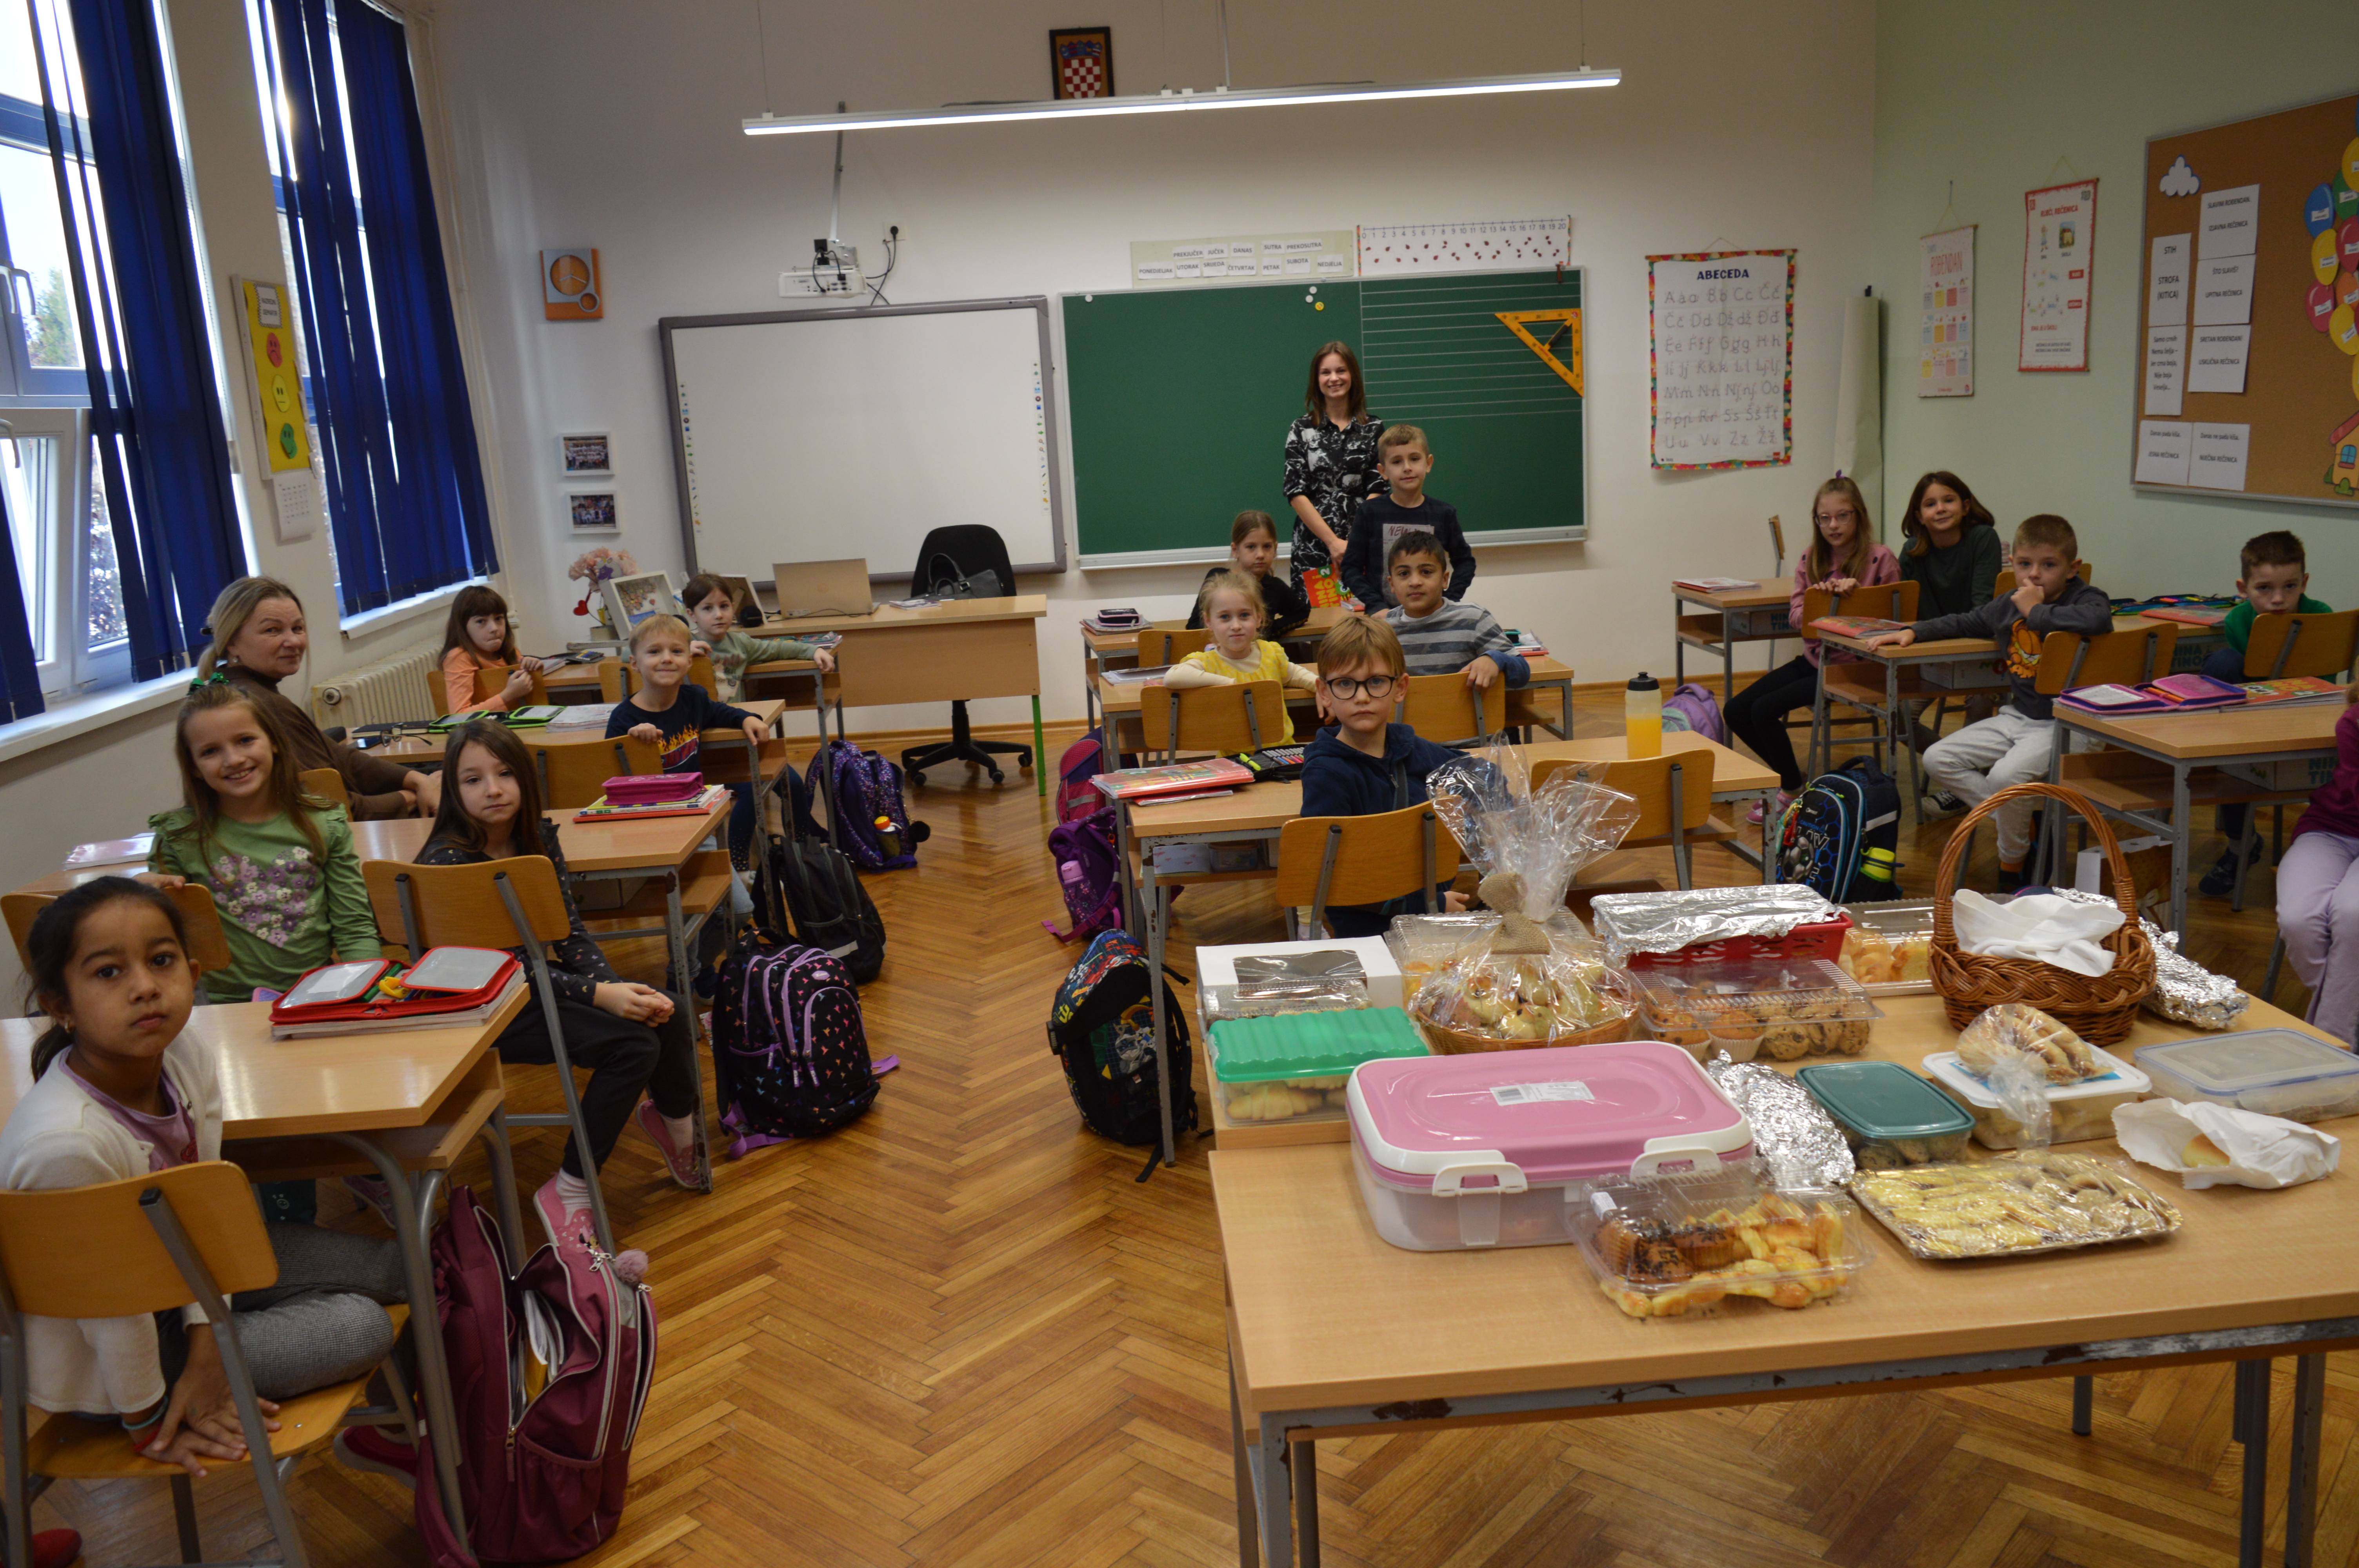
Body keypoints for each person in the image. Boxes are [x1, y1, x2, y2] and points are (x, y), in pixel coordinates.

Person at [0, 878, 408, 1485]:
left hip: (185, 1271)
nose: (145, 987)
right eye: (109, 973)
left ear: (192, 973)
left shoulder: (183, 1053)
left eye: (161, 961)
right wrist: (148, 1419)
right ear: (59, 1005)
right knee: (361, 1325)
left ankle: (415, 1437)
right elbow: (111, 1312)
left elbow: (198, 1210)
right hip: (119, 1365)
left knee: (400, 1266)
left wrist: (210, 1340)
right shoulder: (67, 1146)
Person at [421, 722, 694, 1262]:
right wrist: (599, 997)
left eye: (504, 774)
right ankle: (568, 1188)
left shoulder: (538, 839)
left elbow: (569, 934)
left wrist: (614, 988)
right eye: (473, 780)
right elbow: (500, 968)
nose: (493, 790)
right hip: (478, 1007)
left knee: (668, 1010)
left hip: (527, 986)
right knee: (632, 1044)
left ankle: (676, 1128)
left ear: (525, 778)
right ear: (453, 790)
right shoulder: (447, 860)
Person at [1862, 515, 2113, 891]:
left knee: (2003, 778)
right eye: (2025, 564)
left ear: (2072, 568)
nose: (2035, 575)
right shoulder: (2007, 605)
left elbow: (2099, 619)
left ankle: (2013, 864)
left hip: (2067, 725)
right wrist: (1913, 630)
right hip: (2019, 717)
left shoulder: (2085, 598)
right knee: (1938, 759)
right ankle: (2024, 825)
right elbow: (1964, 622)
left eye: (2049, 565)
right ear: (2012, 565)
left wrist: (2035, 612)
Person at [1724, 477, 1900, 822]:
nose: (1833, 525)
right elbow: (1796, 617)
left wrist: (1854, 600)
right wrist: (1821, 600)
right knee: (1736, 710)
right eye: (1825, 518)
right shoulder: (1811, 557)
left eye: (1843, 516)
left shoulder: (1881, 558)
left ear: (1859, 516)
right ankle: (1793, 780)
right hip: (1815, 660)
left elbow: (1895, 622)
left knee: (1763, 710)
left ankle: (1791, 789)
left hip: (1858, 667)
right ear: (1816, 521)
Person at [197, 576, 439, 818]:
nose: (294, 641)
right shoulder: (257, 704)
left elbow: (338, 756)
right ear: (232, 642)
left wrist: (417, 779)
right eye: (272, 630)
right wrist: (413, 796)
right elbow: (333, 809)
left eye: (298, 628)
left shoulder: (238, 689)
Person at [1298, 617, 1469, 936]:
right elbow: (1335, 880)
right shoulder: (1326, 773)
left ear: (1400, 688)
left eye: (1376, 682)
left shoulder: (1409, 747)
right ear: (1324, 692)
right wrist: (1427, 903)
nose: (1362, 697)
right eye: (1345, 684)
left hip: (1430, 923)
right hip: (1369, 934)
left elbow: (1480, 776)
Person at [2200, 530, 2334, 896]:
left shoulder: (2321, 616)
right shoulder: (2238, 621)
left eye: (2290, 587)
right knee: (2222, 666)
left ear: (2304, 583)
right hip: (2252, 722)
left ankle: (2329, 847)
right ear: (2243, 588)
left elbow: (2323, 685)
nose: (2278, 599)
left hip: (2309, 715)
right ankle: (2241, 845)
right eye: (2264, 589)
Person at [607, 614, 769, 867]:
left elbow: (721, 712)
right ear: (635, 663)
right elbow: (611, 782)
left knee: (732, 893)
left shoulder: (694, 699)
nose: (667, 659)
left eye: (677, 651)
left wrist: (747, 718)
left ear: (689, 661)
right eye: (654, 652)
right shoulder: (624, 719)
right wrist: (632, 742)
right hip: (644, 826)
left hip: (693, 817)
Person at [1896, 470, 2005, 794]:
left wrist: (1926, 631)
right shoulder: (1913, 550)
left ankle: (1963, 780)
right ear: (1919, 515)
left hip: (1978, 651)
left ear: (1966, 506)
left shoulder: (1983, 538)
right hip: (1932, 653)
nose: (1941, 509)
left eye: (1949, 500)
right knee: (1897, 718)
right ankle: (1960, 771)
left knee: (1981, 703)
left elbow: (1982, 613)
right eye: (1930, 504)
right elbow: (1904, 613)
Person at [1281, 341, 1387, 595]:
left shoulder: (1373, 428)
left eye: (1341, 371)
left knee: (1365, 615)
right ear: (1316, 380)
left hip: (1363, 545)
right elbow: (1295, 492)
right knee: (1318, 618)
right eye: (1325, 372)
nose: (1334, 378)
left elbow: (1379, 488)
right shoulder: (1301, 429)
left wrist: (1353, 543)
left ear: (1353, 375)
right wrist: (1333, 543)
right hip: (1314, 548)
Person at [1162, 570, 1318, 742]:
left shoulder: (1271, 653)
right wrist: (1229, 684)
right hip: (1233, 755)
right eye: (1225, 617)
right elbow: (1173, 677)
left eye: (1244, 615)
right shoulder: (1209, 662)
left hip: (1281, 751)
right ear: (1209, 622)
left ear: (1259, 618)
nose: (1236, 626)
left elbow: (1294, 674)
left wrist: (1322, 689)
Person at [1339, 425, 1475, 611]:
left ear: (1428, 463)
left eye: (1415, 459)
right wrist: (1376, 606)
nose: (1407, 468)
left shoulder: (1444, 514)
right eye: (1397, 462)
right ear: (1383, 471)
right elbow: (1351, 568)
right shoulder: (1370, 512)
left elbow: (1465, 562)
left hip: (1432, 617)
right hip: (1383, 618)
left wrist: (1449, 600)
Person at [1379, 531, 1528, 695]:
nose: (1415, 582)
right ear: (1392, 584)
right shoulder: (1385, 631)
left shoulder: (1473, 619)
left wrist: (1495, 660)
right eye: (1404, 574)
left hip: (1465, 713)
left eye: (1426, 572)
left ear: (1445, 580)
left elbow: (1522, 672)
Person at [680, 573, 835, 704]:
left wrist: (814, 650)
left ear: (733, 607)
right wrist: (682, 654)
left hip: (731, 721)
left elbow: (777, 649)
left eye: (724, 606)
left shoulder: (740, 643)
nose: (719, 615)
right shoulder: (684, 645)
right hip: (694, 725)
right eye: (708, 608)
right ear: (692, 614)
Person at [1187, 511, 1309, 639]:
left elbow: (1302, 612)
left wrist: (1268, 631)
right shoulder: (1218, 579)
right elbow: (1194, 627)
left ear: (1275, 549)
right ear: (1235, 550)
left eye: (1267, 547)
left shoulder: (1275, 587)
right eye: (1251, 547)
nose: (1260, 555)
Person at [439, 585, 544, 715]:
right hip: (485, 728)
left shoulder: (510, 652)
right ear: (463, 627)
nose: (494, 628)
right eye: (481, 621)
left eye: (499, 619)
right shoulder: (459, 657)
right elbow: (459, 715)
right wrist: (508, 695)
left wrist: (533, 670)